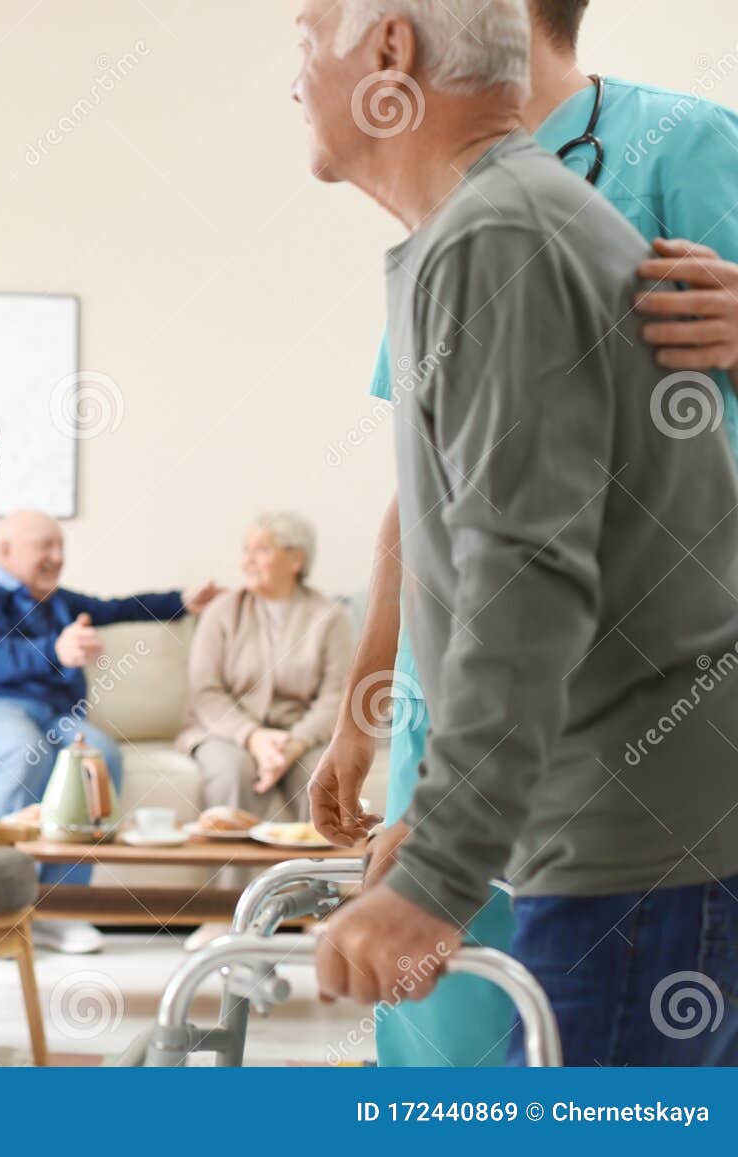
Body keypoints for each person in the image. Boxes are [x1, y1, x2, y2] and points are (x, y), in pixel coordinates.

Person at [294, 0, 738, 1066]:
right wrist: (398, 757)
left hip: (630, 802)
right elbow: (447, 505)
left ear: (391, 48)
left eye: (307, 33)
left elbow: (530, 572)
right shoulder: (470, 230)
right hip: (549, 786)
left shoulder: (524, 222)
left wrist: (442, 865)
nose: (294, 69)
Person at [0, 508, 220, 953]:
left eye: (61, 547)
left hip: (52, 715)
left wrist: (182, 599)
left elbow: (120, 607)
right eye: (43, 546)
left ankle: (61, 907)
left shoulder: (60, 602)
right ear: (6, 551)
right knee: (23, 750)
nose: (56, 556)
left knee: (98, 755)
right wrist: (56, 649)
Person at [177, 513, 352, 825]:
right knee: (232, 772)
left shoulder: (330, 617)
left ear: (296, 559)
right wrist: (253, 737)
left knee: (321, 778)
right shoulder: (221, 612)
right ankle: (233, 876)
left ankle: (312, 876)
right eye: (246, 550)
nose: (247, 561)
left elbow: (336, 698)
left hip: (299, 735)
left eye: (262, 550)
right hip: (224, 733)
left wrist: (295, 743)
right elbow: (205, 692)